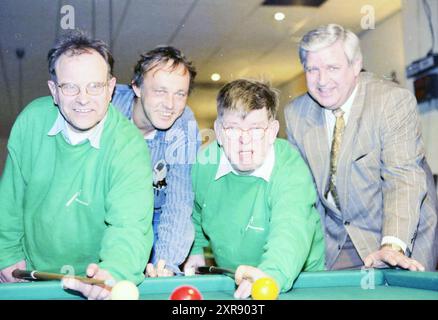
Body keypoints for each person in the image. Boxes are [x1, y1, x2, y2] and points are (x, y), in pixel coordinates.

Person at [0, 30, 154, 300]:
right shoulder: (31, 121)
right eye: (70, 86)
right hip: (29, 276)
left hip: (93, 279)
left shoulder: (129, 145)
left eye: (95, 86)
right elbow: (10, 201)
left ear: (110, 89)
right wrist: (6, 254)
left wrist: (114, 271)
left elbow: (130, 225)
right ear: (54, 91)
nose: (83, 98)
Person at [284, 23, 438, 271]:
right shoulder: (296, 114)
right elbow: (302, 193)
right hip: (336, 242)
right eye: (312, 69)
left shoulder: (390, 102)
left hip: (398, 237)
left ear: (356, 65)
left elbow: (403, 178)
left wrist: (392, 246)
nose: (322, 80)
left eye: (332, 67)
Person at [183, 79, 325, 299]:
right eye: (233, 129)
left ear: (272, 132)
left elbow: (291, 229)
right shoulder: (204, 165)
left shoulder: (290, 167)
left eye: (256, 129)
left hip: (296, 281)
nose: (245, 141)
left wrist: (270, 274)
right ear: (219, 132)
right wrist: (196, 250)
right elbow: (196, 213)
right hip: (237, 282)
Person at [111, 46, 200, 277]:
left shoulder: (184, 123)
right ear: (136, 87)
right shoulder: (106, 110)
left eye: (180, 94)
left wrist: (166, 263)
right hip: (108, 217)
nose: (170, 104)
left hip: (156, 220)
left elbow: (179, 201)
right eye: (160, 91)